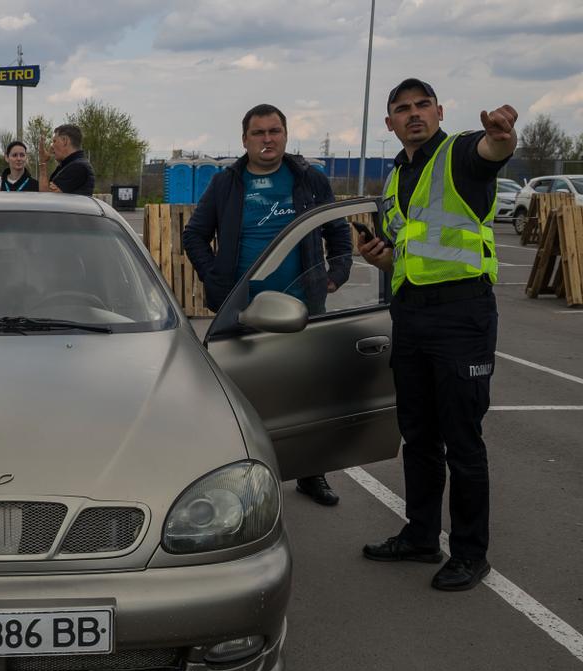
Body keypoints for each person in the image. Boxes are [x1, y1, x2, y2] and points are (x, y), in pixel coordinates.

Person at [359, 79, 517, 592]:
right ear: (389, 124)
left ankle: (472, 553)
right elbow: (409, 248)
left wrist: (503, 137)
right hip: (411, 316)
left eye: (422, 105)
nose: (413, 115)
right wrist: (382, 256)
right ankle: (422, 535)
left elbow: (492, 151)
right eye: (402, 109)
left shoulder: (461, 153)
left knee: (462, 440)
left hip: (461, 317)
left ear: (440, 110)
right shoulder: (395, 177)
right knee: (419, 436)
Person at [181, 103, 352, 507]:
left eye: (274, 131)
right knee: (239, 397)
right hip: (241, 310)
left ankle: (312, 474)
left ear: (286, 135)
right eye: (258, 133)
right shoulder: (226, 183)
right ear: (244, 140)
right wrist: (216, 280)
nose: (267, 139)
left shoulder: (309, 180)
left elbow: (338, 233)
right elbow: (194, 235)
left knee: (307, 394)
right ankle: (239, 479)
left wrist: (334, 276)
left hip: (301, 310)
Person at [36, 124, 95, 195]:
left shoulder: (77, 167)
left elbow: (46, 197)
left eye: (54, 141)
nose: (51, 147)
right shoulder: (68, 165)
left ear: (65, 141)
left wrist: (43, 162)